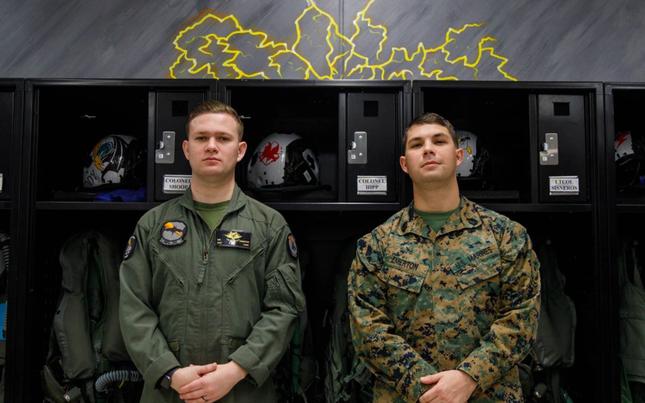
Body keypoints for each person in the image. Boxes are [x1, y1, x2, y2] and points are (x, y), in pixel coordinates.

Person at [119, 100, 305, 403]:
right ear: (186, 149)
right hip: (170, 393)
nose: (212, 146)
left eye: (223, 138)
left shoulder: (270, 226)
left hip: (244, 392)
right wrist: (171, 373)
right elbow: (133, 308)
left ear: (241, 150)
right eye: (201, 138)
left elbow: (283, 310)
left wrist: (235, 370)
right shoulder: (152, 226)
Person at [347, 112, 541, 403]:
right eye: (416, 144)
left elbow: (521, 319)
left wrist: (469, 378)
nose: (428, 149)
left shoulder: (506, 236)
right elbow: (368, 329)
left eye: (439, 141)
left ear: (459, 155)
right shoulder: (376, 245)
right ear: (404, 164)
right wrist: (429, 391)